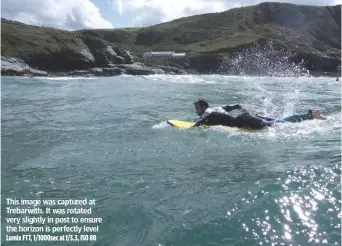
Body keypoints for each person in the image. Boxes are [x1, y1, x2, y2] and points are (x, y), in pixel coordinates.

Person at [193, 99, 327, 130]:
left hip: (244, 121)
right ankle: (309, 115)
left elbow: (198, 123)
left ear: (204, 107)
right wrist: (241, 108)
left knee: (276, 125)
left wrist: (188, 129)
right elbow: (234, 106)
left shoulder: (207, 113)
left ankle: (311, 116)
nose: (196, 110)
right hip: (247, 117)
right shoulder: (218, 109)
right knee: (280, 121)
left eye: (197, 107)